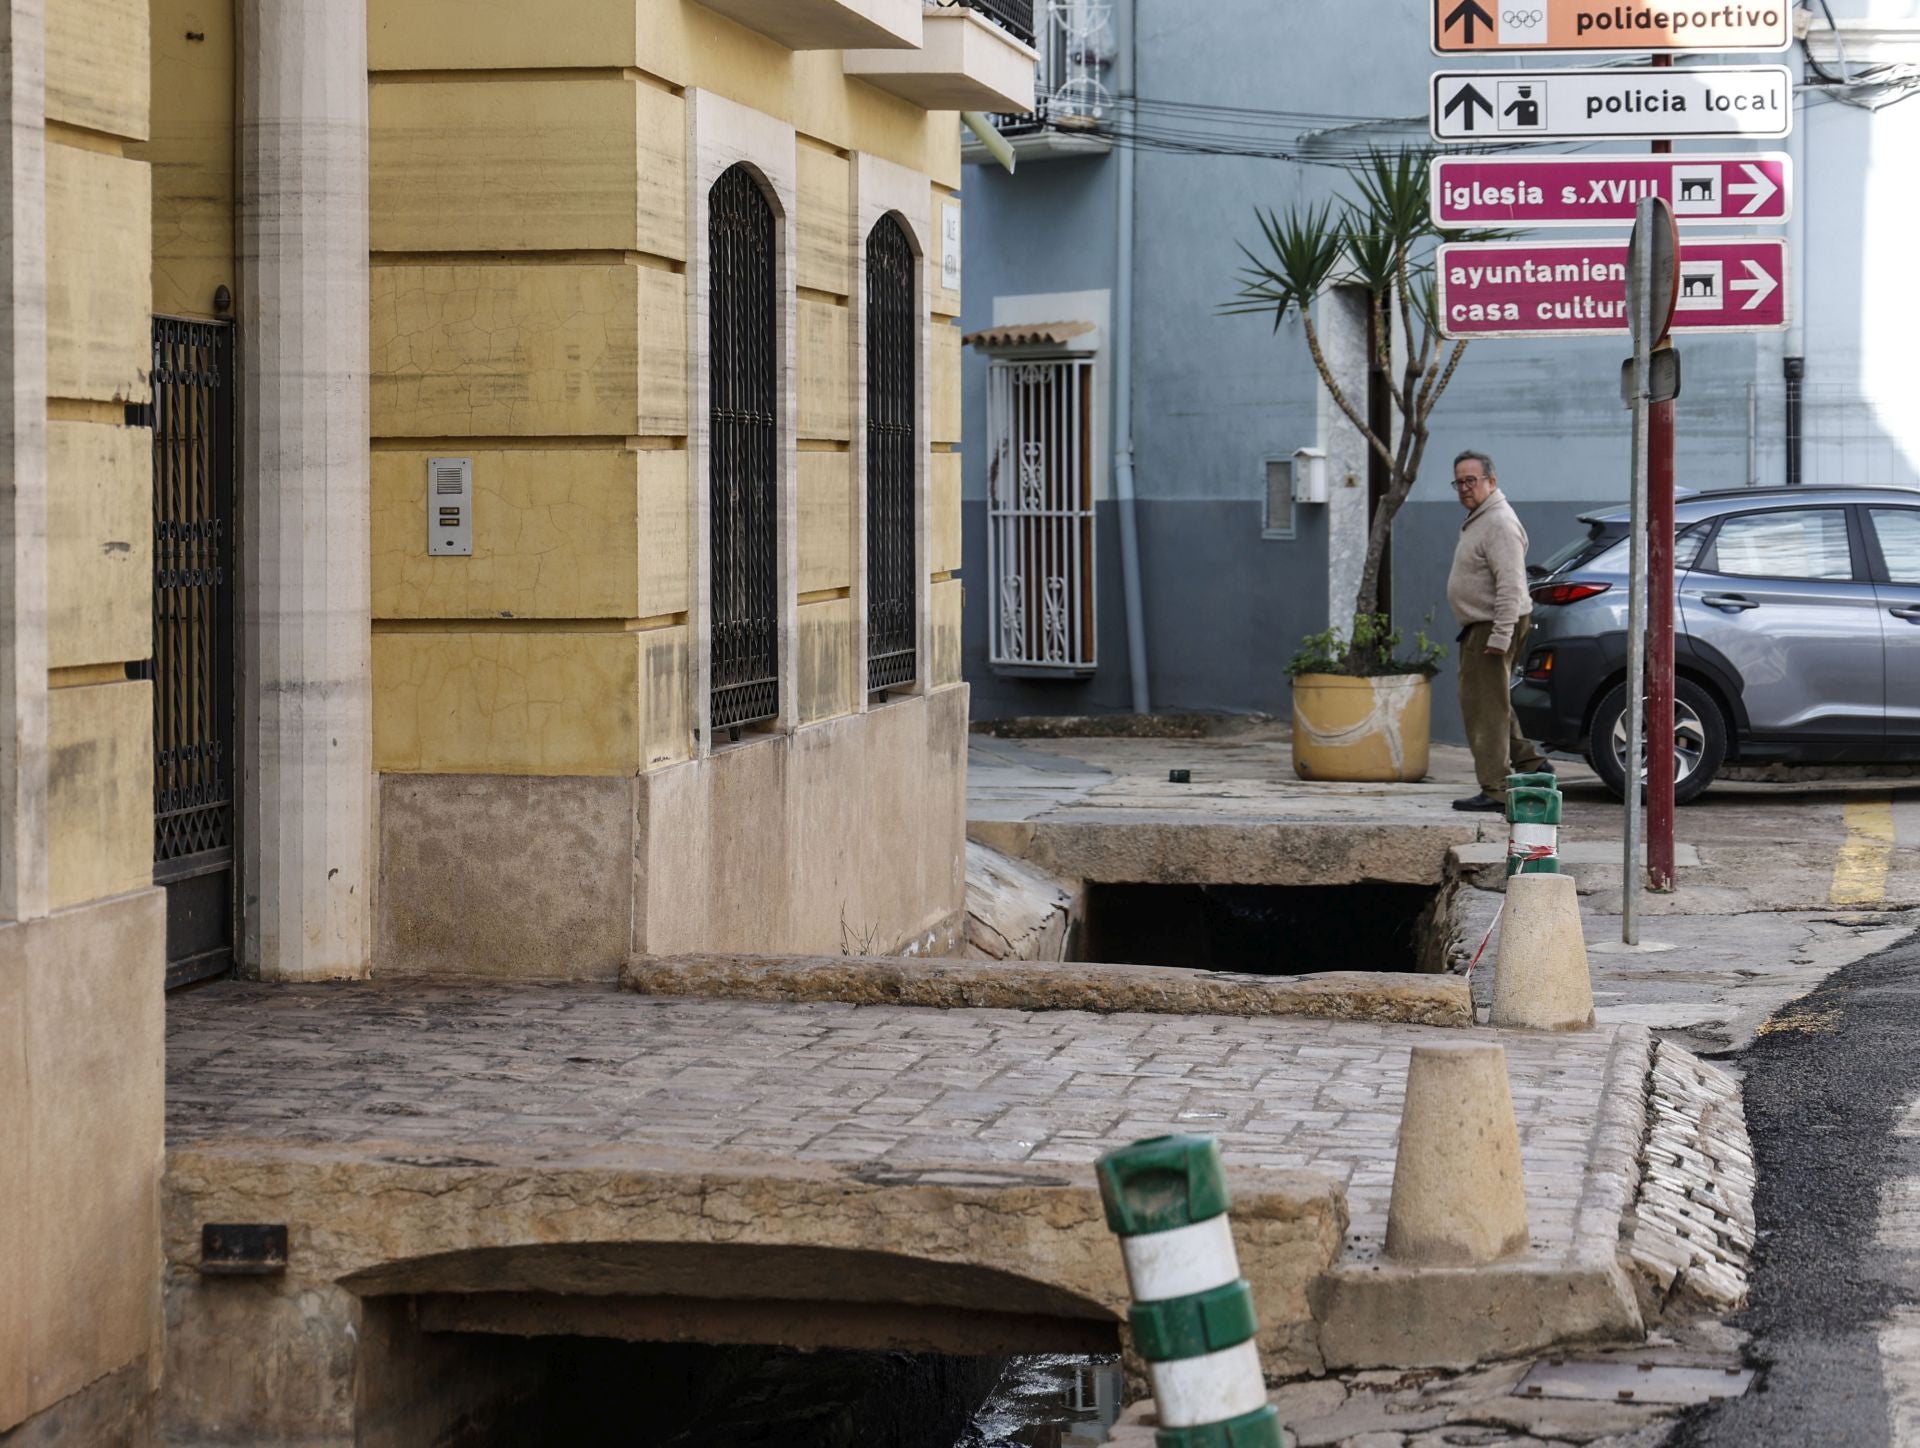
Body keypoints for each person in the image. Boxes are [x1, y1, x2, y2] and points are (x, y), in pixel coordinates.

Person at [1446, 449, 1548, 812]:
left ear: (1491, 481)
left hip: (1493, 626)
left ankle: (1495, 789)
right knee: (1493, 702)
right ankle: (1531, 763)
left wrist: (1500, 635)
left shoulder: (1499, 523)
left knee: (1483, 709)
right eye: (1458, 481)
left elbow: (1511, 586)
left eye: (1470, 480)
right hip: (1482, 625)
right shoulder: (1481, 518)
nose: (1464, 488)